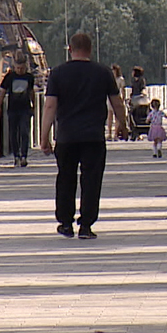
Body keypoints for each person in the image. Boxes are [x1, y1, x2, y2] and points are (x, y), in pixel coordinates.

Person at [42, 32, 128, 239]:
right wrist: (122, 124)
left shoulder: (58, 73)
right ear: (90, 49)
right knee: (91, 180)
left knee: (66, 178)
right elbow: (117, 102)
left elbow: (50, 105)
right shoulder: (103, 72)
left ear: (70, 49)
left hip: (66, 136)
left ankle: (65, 222)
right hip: (93, 136)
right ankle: (86, 225)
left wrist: (44, 136)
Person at [0, 52, 36, 168]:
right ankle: (16, 156)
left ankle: (24, 155)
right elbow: (3, 92)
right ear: (14, 67)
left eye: (22, 68)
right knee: (13, 133)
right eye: (18, 68)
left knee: (24, 132)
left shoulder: (29, 77)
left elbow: (31, 92)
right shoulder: (10, 77)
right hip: (13, 109)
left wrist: (34, 105)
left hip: (25, 108)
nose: (20, 70)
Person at [108, 64, 125, 140]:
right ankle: (109, 133)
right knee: (109, 116)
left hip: (117, 98)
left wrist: (123, 98)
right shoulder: (110, 78)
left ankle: (116, 134)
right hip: (109, 99)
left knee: (117, 117)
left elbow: (123, 89)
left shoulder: (120, 79)